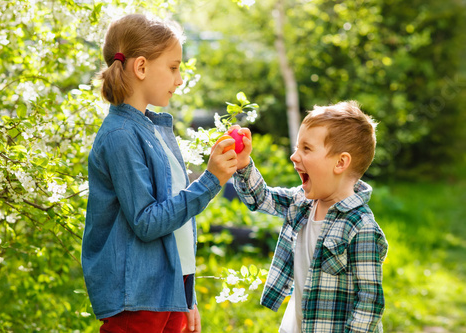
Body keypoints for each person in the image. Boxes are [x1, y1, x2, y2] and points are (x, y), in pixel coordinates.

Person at [81, 14, 238, 333]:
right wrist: (210, 180)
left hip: (168, 293)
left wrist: (187, 296)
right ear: (140, 67)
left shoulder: (155, 130)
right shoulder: (120, 136)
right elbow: (147, 222)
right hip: (138, 298)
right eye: (173, 67)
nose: (179, 79)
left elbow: (177, 230)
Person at [229, 101, 389, 332]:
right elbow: (261, 198)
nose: (294, 157)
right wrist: (244, 164)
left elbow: (369, 301)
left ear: (340, 162)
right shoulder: (302, 203)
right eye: (297, 148)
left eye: (306, 149)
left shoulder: (361, 226)